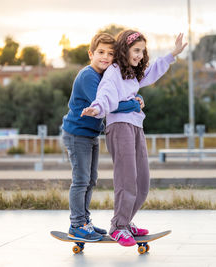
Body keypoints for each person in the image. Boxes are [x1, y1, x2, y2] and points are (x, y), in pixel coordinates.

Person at [81, 30, 187, 246]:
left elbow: (153, 71)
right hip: (119, 127)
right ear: (125, 49)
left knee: (142, 182)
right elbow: (106, 94)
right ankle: (118, 226)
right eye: (136, 50)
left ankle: (126, 221)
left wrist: (173, 53)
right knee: (127, 179)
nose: (139, 55)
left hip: (135, 126)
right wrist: (97, 108)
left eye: (142, 51)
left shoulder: (131, 73)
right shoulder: (114, 71)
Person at [62, 32, 145, 242]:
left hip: (90, 135)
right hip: (76, 134)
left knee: (90, 180)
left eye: (110, 53)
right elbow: (109, 105)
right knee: (81, 181)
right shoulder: (89, 75)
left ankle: (85, 222)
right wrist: (135, 104)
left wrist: (136, 97)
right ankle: (77, 224)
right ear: (91, 53)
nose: (105, 57)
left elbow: (120, 95)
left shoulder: (105, 76)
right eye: (100, 52)